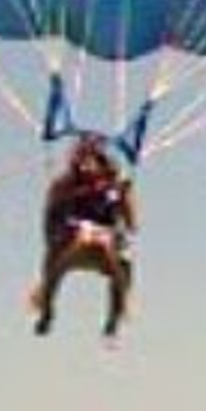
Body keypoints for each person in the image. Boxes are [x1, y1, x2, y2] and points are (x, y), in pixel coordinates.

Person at [32, 135, 138, 338]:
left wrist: (126, 198)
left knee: (121, 261)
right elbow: (49, 218)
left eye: (90, 161)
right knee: (68, 252)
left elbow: (132, 225)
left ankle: (114, 319)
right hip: (71, 239)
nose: (85, 166)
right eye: (81, 160)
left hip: (106, 243)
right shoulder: (64, 185)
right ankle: (47, 310)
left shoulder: (115, 188)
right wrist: (52, 242)